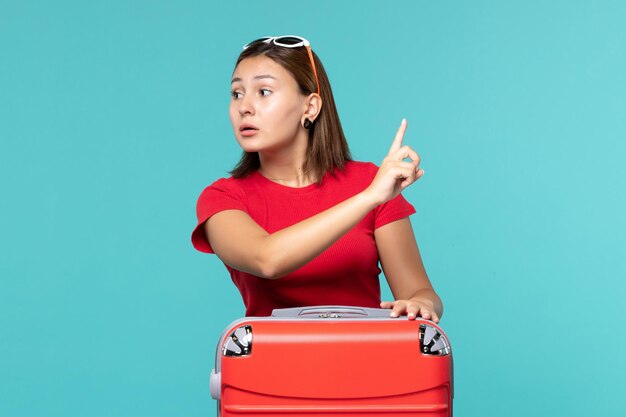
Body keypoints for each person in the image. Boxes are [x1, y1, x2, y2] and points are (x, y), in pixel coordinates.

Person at [191, 35, 443, 322]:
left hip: (368, 361)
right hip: (270, 364)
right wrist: (369, 197)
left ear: (310, 107)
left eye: (263, 91)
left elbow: (418, 290)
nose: (244, 107)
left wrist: (422, 304)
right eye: (237, 93)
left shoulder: (371, 182)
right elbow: (267, 258)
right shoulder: (223, 198)